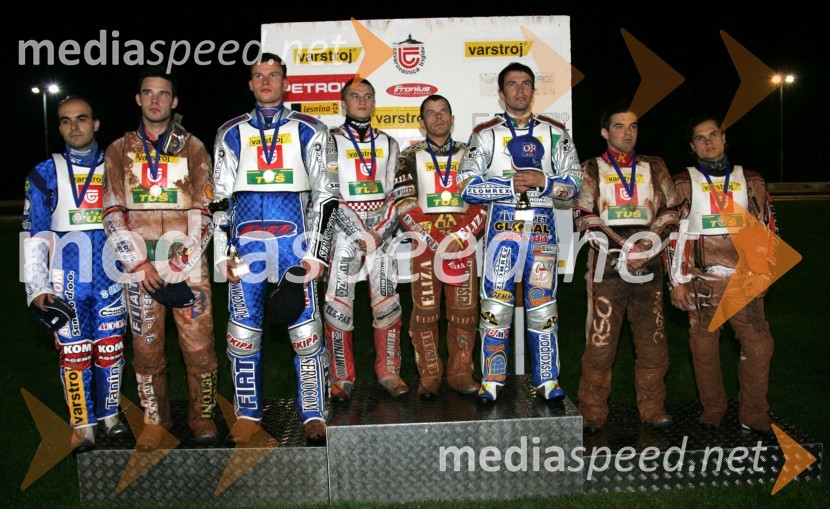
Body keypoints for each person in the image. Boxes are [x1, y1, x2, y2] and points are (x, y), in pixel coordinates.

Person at [213, 53, 336, 444]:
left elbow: (327, 196)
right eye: (258, 76)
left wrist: (315, 252)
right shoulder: (229, 131)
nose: (266, 81)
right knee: (242, 334)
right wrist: (221, 254)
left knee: (306, 333)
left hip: (295, 245)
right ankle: (247, 413)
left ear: (286, 82)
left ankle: (313, 412)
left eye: (273, 75)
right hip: (244, 248)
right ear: (250, 84)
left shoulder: (312, 128)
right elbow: (218, 200)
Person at [102, 67, 218, 451]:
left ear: (174, 101)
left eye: (163, 94)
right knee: (147, 351)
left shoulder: (194, 147)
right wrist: (137, 263)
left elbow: (205, 211)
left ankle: (202, 417)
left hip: (189, 267)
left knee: (199, 347)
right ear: (138, 99)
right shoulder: (119, 149)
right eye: (148, 93)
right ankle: (156, 421)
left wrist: (180, 263)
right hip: (141, 270)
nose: (155, 100)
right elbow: (112, 212)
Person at [458, 62, 584, 403]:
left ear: (533, 90)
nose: (520, 89)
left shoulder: (555, 131)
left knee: (543, 308)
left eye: (526, 83)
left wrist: (545, 181)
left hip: (542, 232)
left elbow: (575, 184)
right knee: (496, 308)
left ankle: (547, 380)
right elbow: (465, 186)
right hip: (502, 233)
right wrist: (505, 185)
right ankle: (492, 380)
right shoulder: (485, 134)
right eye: (512, 84)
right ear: (501, 94)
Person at [23, 96, 128, 452]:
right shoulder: (44, 172)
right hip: (64, 280)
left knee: (111, 349)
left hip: (112, 276)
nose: (74, 126)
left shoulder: (118, 166)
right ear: (60, 127)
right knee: (75, 353)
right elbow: (33, 234)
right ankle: (82, 423)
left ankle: (111, 416)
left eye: (81, 119)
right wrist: (35, 288)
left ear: (96, 123)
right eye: (66, 121)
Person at [667, 115, 777, 435]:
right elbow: (674, 235)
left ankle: (754, 412)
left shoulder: (750, 179)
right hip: (702, 281)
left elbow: (767, 229)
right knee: (703, 348)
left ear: (724, 137)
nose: (709, 142)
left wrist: (763, 274)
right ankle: (713, 408)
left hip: (743, 279)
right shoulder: (682, 182)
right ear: (692, 146)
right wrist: (678, 282)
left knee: (759, 346)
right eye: (700, 138)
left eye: (713, 134)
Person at [573, 103, 680, 433]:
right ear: (605, 132)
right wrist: (623, 250)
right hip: (607, 265)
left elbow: (673, 209)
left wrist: (647, 247)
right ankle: (592, 410)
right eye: (619, 126)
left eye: (633, 126)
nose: (627, 132)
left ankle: (651, 407)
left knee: (653, 339)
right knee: (601, 341)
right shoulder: (591, 168)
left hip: (649, 264)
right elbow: (583, 214)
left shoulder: (654, 166)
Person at [393, 95, 487, 399]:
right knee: (425, 313)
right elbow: (404, 203)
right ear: (421, 123)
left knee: (464, 312)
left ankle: (460, 372)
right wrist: (435, 239)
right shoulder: (408, 156)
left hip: (462, 244)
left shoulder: (470, 154)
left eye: (443, 112)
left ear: (452, 118)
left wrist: (459, 238)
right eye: (431, 114)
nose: (438, 118)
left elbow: (482, 202)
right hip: (425, 246)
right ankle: (430, 375)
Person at [324, 77, 407, 401]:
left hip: (381, 233)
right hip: (345, 231)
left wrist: (380, 231)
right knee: (338, 305)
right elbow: (329, 193)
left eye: (368, 96)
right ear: (343, 103)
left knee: (387, 303)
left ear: (374, 103)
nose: (362, 101)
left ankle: (389, 372)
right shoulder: (329, 141)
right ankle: (341, 378)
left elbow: (395, 195)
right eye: (355, 96)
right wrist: (359, 232)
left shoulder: (388, 143)